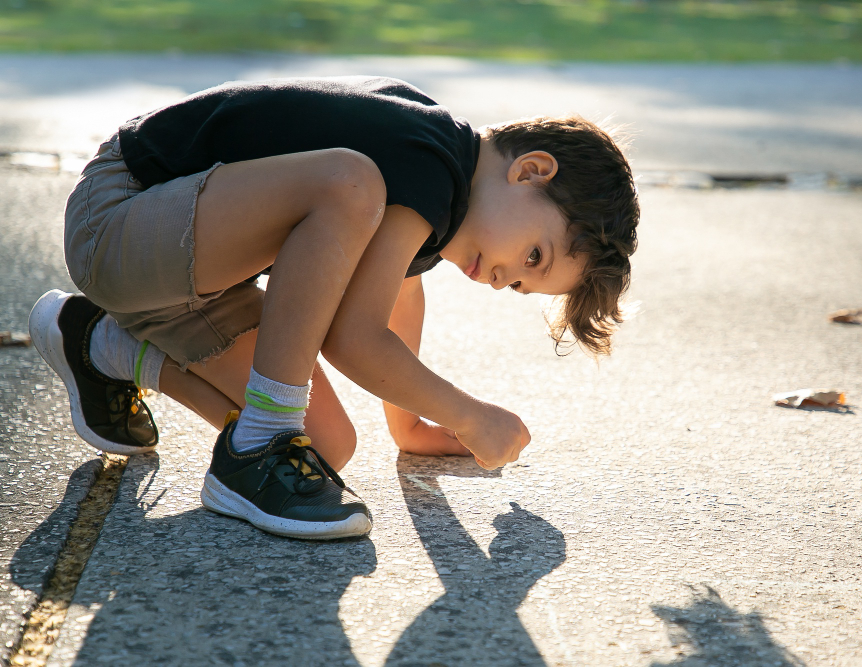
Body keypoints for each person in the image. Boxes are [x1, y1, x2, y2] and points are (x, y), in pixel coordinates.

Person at [29, 76, 639, 540]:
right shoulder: (426, 154)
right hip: (121, 215)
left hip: (178, 279)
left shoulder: (436, 191)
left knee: (327, 447)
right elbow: (354, 338)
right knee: (350, 183)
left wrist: (412, 427)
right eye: (533, 255)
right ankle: (258, 444)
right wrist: (472, 416)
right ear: (530, 171)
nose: (502, 278)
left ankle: (101, 344)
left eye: (518, 287)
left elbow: (398, 290)